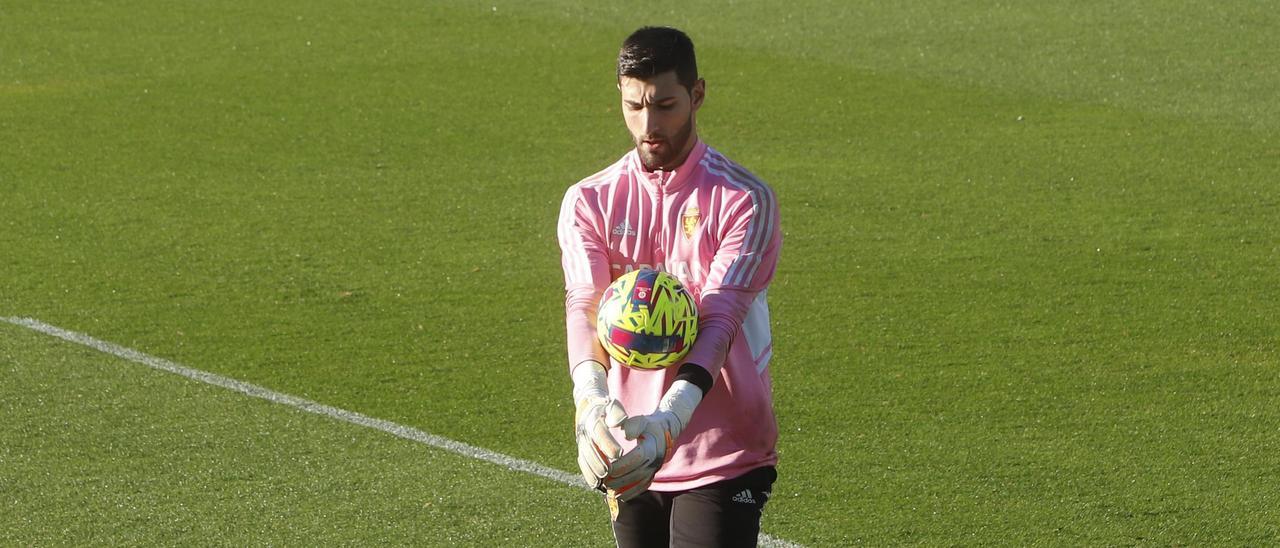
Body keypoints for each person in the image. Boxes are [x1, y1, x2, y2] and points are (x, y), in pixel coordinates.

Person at [557, 26, 782, 547]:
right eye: (634, 106)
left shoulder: (744, 200)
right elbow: (584, 306)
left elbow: (721, 319)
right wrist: (589, 403)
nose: (648, 125)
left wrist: (672, 418)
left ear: (697, 95)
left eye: (664, 105)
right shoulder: (590, 201)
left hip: (722, 446)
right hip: (628, 441)